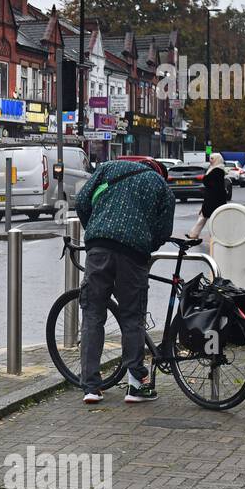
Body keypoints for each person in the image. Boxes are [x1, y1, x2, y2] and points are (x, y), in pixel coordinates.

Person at [74, 159, 175, 405]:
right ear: (159, 171)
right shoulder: (161, 186)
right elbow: (163, 230)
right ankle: (136, 385)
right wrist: (146, 246)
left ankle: (91, 387)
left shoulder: (107, 168)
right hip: (133, 254)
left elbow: (81, 202)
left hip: (99, 249)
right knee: (132, 317)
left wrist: (95, 230)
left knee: (93, 314)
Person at [187, 152, 229, 240]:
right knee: (207, 216)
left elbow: (209, 182)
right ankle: (194, 234)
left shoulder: (218, 170)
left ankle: (195, 234)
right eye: (210, 158)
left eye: (212, 159)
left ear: (217, 159)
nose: (210, 160)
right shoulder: (215, 168)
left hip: (214, 197)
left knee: (208, 216)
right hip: (213, 196)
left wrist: (205, 179)